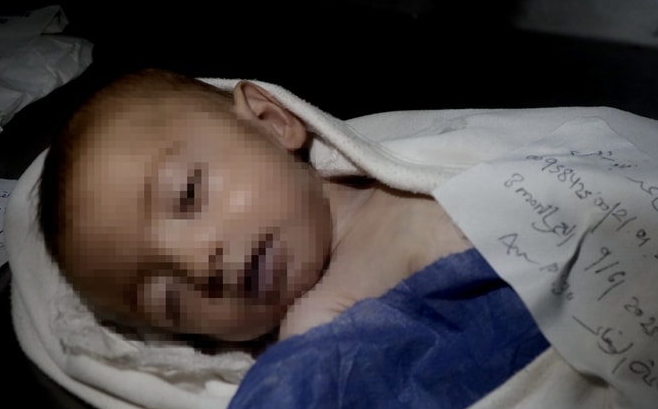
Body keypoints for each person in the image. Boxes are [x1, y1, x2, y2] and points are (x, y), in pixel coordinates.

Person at [37, 68, 472, 344]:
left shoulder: (427, 153)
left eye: (187, 195)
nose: (198, 265)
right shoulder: (321, 328)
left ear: (271, 122)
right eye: (168, 299)